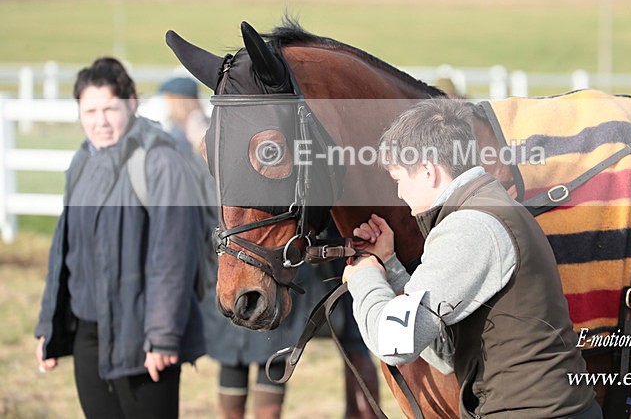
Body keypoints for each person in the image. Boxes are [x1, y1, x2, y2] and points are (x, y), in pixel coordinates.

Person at [343, 98, 602, 418]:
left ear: (427, 171)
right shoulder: (485, 206)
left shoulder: (470, 225)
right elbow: (445, 351)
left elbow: (395, 342)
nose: (399, 194)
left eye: (399, 180)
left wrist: (364, 276)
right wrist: (390, 266)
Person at [157, 77, 379, 419]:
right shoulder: (222, 149)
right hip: (241, 263)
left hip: (268, 267)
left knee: (270, 360)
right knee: (239, 363)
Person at [34, 57, 206, 419]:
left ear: (131, 103)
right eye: (90, 110)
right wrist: (48, 326)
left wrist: (161, 337)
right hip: (88, 333)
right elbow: (64, 250)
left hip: (143, 335)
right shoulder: (83, 161)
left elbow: (172, 258)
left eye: (110, 108)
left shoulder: (161, 161)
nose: (100, 121)